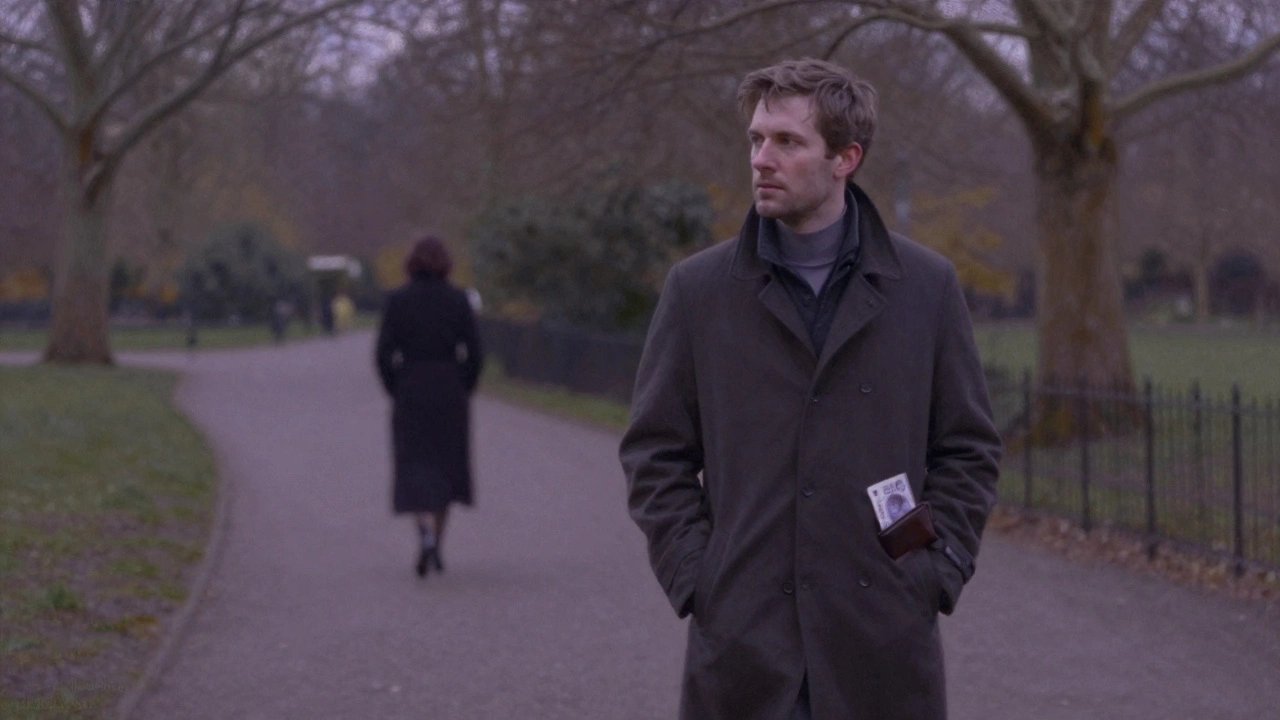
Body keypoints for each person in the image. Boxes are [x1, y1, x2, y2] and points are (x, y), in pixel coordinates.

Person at [619, 58, 1001, 720]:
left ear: (845, 157)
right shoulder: (699, 291)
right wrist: (698, 576)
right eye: (756, 139)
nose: (761, 159)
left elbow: (968, 449)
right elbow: (655, 452)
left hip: (881, 643)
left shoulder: (926, 288)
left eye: (787, 142)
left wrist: (934, 568)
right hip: (744, 644)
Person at [376, 235, 484, 578]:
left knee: (415, 463)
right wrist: (464, 385)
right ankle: (437, 538)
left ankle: (422, 530)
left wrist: (396, 386)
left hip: (411, 386)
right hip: (448, 387)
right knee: (446, 466)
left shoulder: (398, 301)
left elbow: (383, 353)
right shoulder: (457, 300)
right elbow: (475, 351)